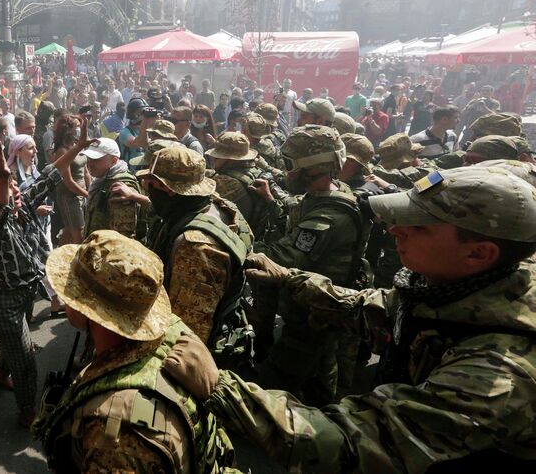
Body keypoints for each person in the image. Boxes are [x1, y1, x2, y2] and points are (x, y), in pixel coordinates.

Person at [163, 166, 536, 473]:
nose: (395, 231)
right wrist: (291, 278)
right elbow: (376, 310)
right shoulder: (455, 289)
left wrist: (220, 388)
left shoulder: (497, 373)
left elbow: (360, 442)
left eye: (418, 226)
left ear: (479, 253)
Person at [32, 230, 237, 473]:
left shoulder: (114, 435)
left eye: (71, 291)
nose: (65, 299)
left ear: (91, 311)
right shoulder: (174, 329)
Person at [0, 129, 93, 427]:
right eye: (8, 191)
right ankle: (28, 411)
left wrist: (78, 145)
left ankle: (0, 374)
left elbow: (52, 174)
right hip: (3, 301)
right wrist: (2, 178)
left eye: (16, 189)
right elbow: (0, 206)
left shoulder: (22, 204)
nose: (16, 194)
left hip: (25, 293)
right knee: (26, 359)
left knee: (15, 346)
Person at [251, 125, 371, 405]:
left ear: (314, 169)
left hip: (313, 317)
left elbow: (278, 258)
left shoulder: (329, 218)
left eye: (290, 166)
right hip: (316, 309)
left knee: (275, 387)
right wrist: (272, 198)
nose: (286, 173)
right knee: (322, 369)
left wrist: (234, 236)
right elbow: (298, 204)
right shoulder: (332, 191)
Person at [132, 147, 252, 346]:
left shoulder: (195, 247)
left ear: (168, 189)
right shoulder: (218, 206)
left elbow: (187, 334)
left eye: (150, 183)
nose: (145, 187)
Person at [81, 137, 141, 238]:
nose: (90, 164)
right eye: (89, 159)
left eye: (96, 159)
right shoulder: (102, 181)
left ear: (114, 161)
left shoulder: (119, 186)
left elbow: (123, 236)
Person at [50, 114, 89, 245]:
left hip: (81, 194)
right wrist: (87, 194)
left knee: (69, 230)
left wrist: (90, 188)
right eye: (77, 127)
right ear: (69, 129)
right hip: (69, 196)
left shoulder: (77, 145)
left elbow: (85, 171)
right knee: (79, 235)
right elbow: (68, 182)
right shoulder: (62, 151)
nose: (79, 129)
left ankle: (57, 258)